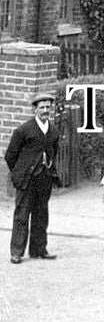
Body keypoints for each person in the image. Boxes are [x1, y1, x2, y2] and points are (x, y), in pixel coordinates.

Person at [6, 92, 60, 264]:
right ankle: (16, 252)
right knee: (22, 215)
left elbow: (53, 152)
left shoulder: (53, 131)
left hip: (44, 179)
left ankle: (39, 250)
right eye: (42, 107)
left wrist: (50, 170)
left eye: (48, 107)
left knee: (41, 214)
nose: (45, 110)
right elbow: (10, 155)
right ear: (35, 109)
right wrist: (19, 173)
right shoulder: (23, 130)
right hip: (27, 180)